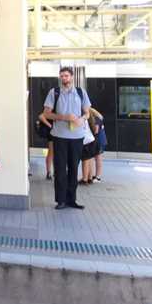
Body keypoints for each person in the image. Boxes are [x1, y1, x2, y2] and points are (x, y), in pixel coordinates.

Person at [42, 66, 91, 210]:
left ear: (72, 77)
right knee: (60, 169)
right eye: (62, 76)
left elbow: (87, 113)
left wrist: (82, 119)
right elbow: (46, 114)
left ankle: (72, 200)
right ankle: (61, 200)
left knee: (74, 169)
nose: (64, 78)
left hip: (77, 136)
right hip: (60, 136)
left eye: (66, 76)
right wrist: (64, 117)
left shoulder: (81, 92)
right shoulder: (54, 92)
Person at [89, 107, 107, 182]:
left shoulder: (96, 119)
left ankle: (98, 177)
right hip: (100, 140)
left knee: (98, 158)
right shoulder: (98, 118)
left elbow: (95, 131)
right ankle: (96, 176)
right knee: (97, 158)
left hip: (98, 141)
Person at [37, 111, 53, 180]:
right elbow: (41, 116)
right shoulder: (51, 108)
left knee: (55, 153)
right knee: (51, 152)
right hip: (52, 133)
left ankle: (52, 172)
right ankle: (48, 172)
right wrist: (50, 126)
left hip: (57, 132)